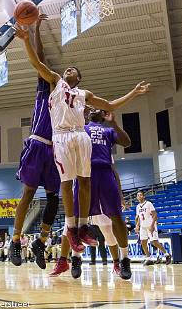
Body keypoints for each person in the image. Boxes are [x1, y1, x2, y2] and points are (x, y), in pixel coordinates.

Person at [16, 24, 150, 256]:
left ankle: (83, 226)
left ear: (78, 78)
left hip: (80, 136)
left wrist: (134, 93)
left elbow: (109, 105)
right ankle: (71, 228)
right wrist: (26, 39)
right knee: (67, 184)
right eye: (67, 68)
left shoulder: (84, 94)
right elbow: (37, 63)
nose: (67, 69)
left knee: (84, 182)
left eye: (72, 70)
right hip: (61, 137)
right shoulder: (55, 81)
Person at [50, 111, 132, 279]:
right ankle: (76, 258)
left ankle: (124, 260)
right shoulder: (80, 130)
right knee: (75, 221)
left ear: (103, 117)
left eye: (98, 110)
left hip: (105, 173)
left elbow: (127, 142)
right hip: (84, 175)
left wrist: (114, 123)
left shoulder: (108, 131)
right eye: (91, 109)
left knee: (116, 217)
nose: (95, 110)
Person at [10, 15, 61, 269]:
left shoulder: (69, 99)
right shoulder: (46, 87)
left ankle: (40, 242)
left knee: (54, 199)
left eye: (70, 72)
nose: (64, 73)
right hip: (37, 144)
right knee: (28, 194)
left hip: (54, 152)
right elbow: (40, 59)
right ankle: (16, 240)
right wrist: (36, 30)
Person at [135, 191, 172, 265]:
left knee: (154, 242)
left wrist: (152, 226)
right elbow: (139, 217)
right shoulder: (138, 206)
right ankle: (149, 258)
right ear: (137, 197)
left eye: (141, 195)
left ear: (143, 196)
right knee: (143, 243)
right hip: (143, 226)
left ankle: (167, 254)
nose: (139, 196)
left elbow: (155, 215)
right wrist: (137, 226)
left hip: (150, 225)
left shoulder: (148, 204)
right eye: (138, 195)